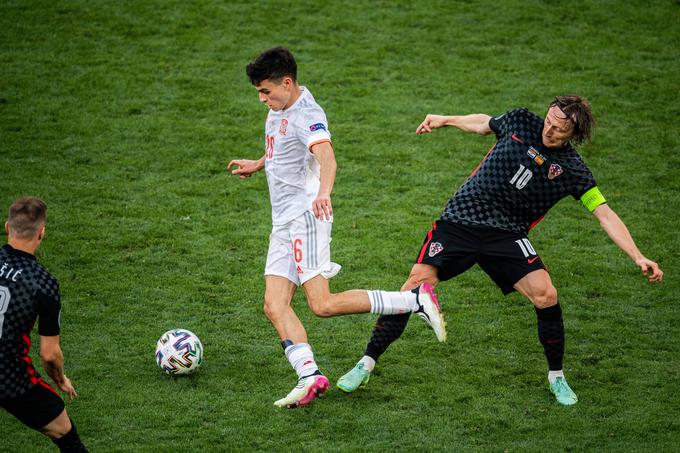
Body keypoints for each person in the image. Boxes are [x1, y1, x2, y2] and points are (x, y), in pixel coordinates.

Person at [337, 96, 664, 406]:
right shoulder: (521, 120)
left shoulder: (574, 171)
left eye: (559, 129)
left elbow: (604, 213)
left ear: (574, 134)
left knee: (546, 295)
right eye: (549, 121)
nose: (548, 130)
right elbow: (483, 124)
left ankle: (557, 376)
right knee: (414, 286)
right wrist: (446, 120)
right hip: (462, 219)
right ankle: (366, 363)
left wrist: (637, 255)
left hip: (506, 235)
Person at [227, 47, 446, 409]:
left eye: (266, 91)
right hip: (283, 222)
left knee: (322, 304)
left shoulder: (307, 115)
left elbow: (327, 157)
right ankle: (309, 375)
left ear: (286, 83)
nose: (262, 99)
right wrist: (259, 162)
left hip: (307, 218)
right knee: (273, 304)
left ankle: (414, 300)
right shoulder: (280, 107)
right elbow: (282, 146)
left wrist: (323, 193)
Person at [0, 197, 88, 452]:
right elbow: (49, 354)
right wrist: (60, 379)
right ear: (42, 232)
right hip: (10, 378)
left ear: (8, 227)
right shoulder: (43, 283)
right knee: (65, 432)